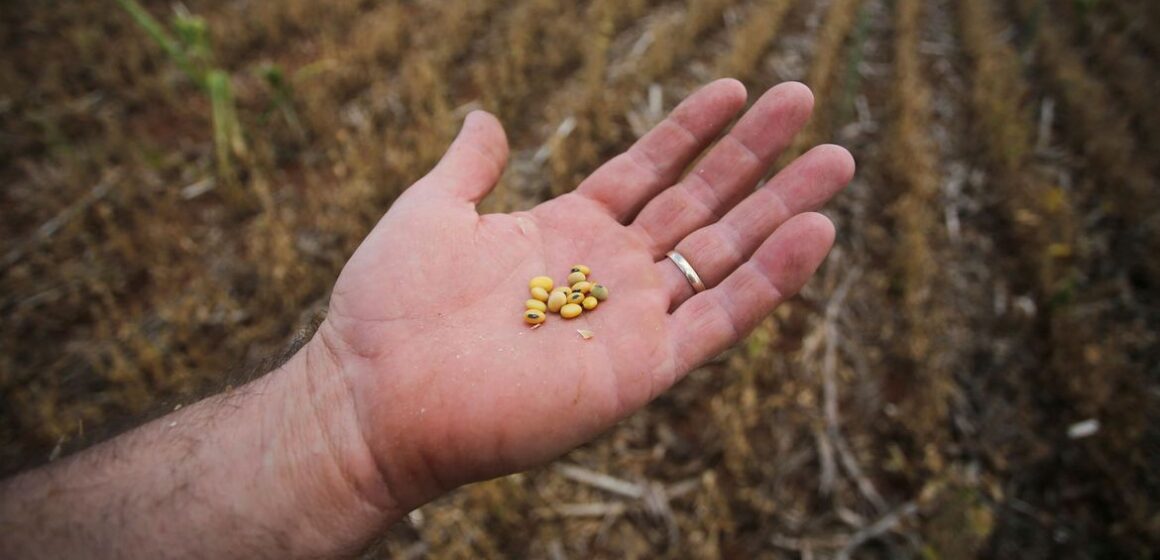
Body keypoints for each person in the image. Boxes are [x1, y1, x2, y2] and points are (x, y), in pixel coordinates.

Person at [0, 79, 854, 558]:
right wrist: (342, 415)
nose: (562, 306)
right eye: (561, 304)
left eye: (564, 303)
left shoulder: (564, 299)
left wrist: (338, 423)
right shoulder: (553, 304)